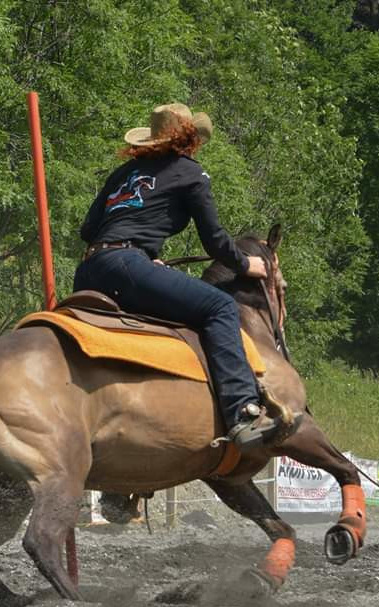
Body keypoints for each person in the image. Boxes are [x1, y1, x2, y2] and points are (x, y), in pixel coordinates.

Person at [74, 103, 288, 448]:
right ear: (191, 140)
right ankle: (241, 413)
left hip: (88, 272)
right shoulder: (190, 172)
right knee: (220, 307)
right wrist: (246, 264)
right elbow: (215, 240)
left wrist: (143, 256)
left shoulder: (123, 172)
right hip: (127, 265)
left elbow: (88, 230)